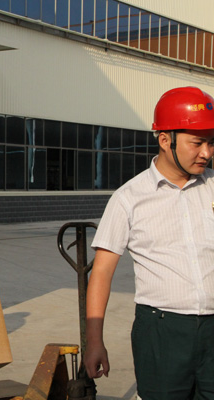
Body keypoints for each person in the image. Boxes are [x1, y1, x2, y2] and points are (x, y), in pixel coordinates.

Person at [84, 86, 214, 399]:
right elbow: (101, 272)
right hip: (161, 332)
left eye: (211, 142)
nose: (207, 153)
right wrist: (94, 341)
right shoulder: (129, 199)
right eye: (197, 143)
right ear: (165, 140)